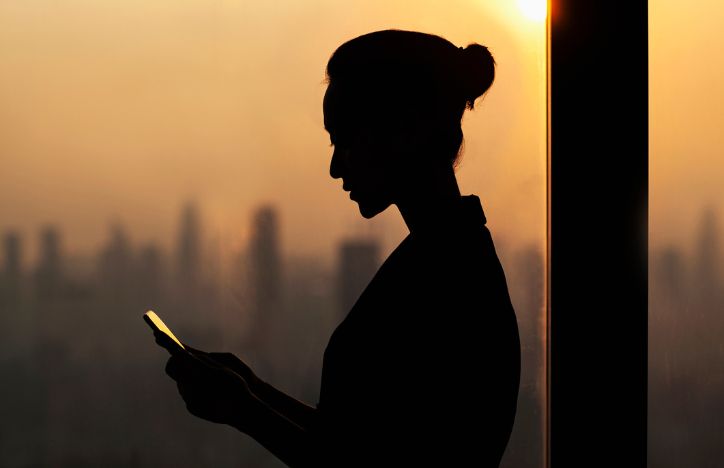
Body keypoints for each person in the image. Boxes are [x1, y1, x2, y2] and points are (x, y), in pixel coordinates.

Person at [158, 29, 520, 467]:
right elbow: (357, 442)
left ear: (403, 130)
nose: (334, 167)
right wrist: (253, 390)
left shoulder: (446, 275)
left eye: (343, 141)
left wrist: (245, 410)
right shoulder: (445, 257)